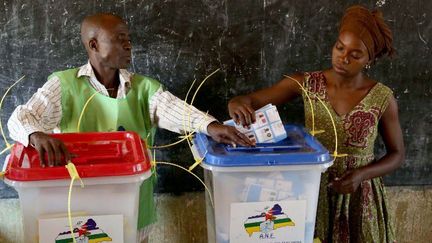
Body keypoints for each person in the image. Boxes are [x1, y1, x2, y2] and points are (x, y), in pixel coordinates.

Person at [7, 13, 253, 243]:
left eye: (129, 40)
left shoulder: (144, 88)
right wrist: (35, 135)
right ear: (93, 45)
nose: (128, 45)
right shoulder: (64, 85)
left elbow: (175, 110)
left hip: (132, 201)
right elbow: (21, 118)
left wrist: (210, 126)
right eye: (119, 39)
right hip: (80, 200)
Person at [227, 5, 404, 243]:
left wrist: (361, 175)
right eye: (340, 47)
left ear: (369, 59)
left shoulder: (382, 97)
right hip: (312, 186)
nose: (343, 57)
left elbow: (397, 154)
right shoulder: (306, 83)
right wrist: (237, 102)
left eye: (355, 54)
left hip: (359, 196)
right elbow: (251, 100)